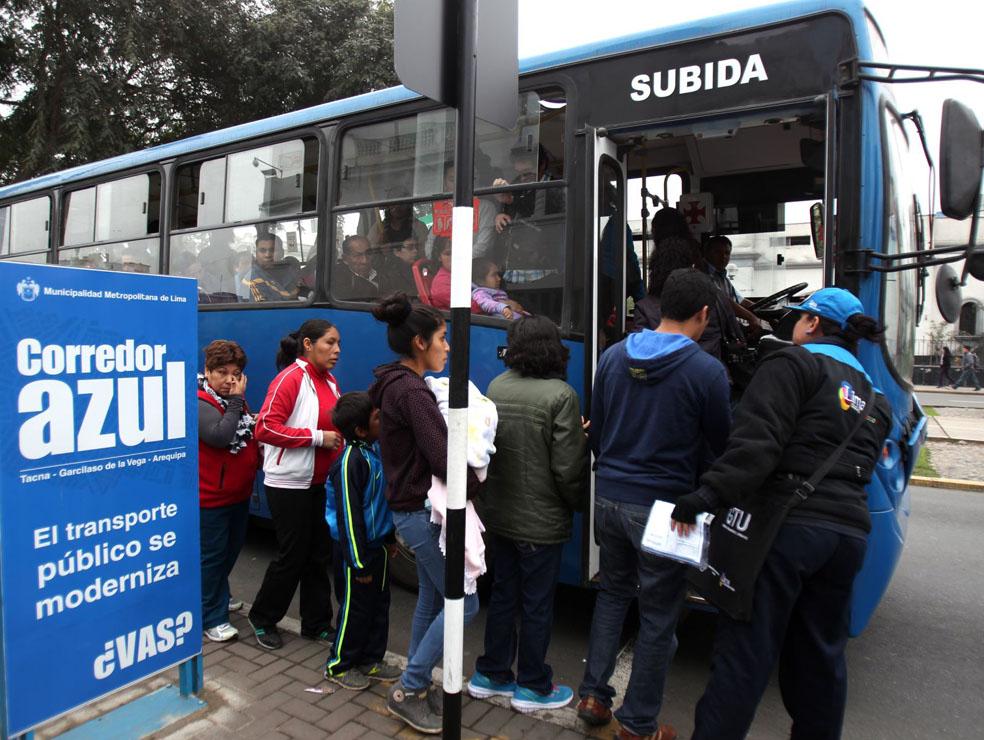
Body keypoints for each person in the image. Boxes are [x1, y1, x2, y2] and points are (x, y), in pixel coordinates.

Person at [670, 287, 892, 740]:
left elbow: (756, 447)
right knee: (820, 658)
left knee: (745, 655)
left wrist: (703, 497)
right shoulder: (875, 398)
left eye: (798, 318)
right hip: (847, 538)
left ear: (811, 324)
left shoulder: (792, 364)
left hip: (785, 533)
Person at [578, 269, 731, 740]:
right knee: (660, 614)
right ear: (703, 314)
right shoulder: (707, 371)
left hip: (609, 496)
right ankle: (639, 724)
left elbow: (597, 430)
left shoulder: (612, 356)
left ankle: (593, 696)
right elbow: (719, 447)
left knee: (612, 595)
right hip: (666, 510)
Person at [368, 293, 481, 735]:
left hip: (409, 509)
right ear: (419, 342)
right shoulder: (412, 391)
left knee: (434, 599)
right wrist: (477, 483)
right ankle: (408, 688)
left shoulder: (395, 382)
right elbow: (444, 457)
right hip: (419, 511)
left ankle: (415, 686)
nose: (448, 347)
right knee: (464, 603)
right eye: (442, 338)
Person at [467, 316, 588, 712]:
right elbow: (568, 470)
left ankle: (492, 673)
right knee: (536, 604)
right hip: (541, 522)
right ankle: (533, 685)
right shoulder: (561, 395)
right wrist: (579, 504)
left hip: (499, 514)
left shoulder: (497, 386)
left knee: (503, 595)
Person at [248, 319, 344, 651]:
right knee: (292, 554)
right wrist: (318, 438)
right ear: (307, 344)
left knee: (318, 554)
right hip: (287, 483)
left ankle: (316, 624)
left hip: (319, 481)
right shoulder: (290, 379)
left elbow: (336, 430)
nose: (336, 351)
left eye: (338, 344)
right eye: (329, 343)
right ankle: (262, 617)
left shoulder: (329, 381)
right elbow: (264, 428)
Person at [323, 392, 402, 690]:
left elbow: (380, 505)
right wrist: (357, 563)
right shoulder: (349, 463)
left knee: (379, 606)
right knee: (354, 610)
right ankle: (339, 665)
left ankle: (370, 660)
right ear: (359, 430)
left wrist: (390, 539)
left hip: (377, 546)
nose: (382, 420)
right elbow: (349, 518)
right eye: (376, 418)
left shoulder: (371, 451)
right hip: (355, 552)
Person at [197, 340, 260, 643]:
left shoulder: (234, 401)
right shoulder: (200, 401)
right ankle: (212, 617)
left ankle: (218, 594)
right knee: (213, 557)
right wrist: (237, 402)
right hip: (212, 499)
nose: (229, 380)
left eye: (235, 373)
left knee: (229, 553)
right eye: (221, 372)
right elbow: (219, 436)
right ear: (207, 371)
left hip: (238, 494)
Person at [702, 235, 765, 336]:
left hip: (725, 329)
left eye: (727, 253)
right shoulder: (702, 275)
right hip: (712, 334)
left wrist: (764, 310)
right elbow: (725, 302)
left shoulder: (722, 277)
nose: (723, 257)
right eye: (717, 252)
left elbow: (740, 300)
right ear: (707, 253)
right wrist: (752, 318)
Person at [241, 232, 299, 302]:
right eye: (262, 250)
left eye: (272, 250)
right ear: (256, 253)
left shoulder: (289, 271)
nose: (267, 255)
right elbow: (266, 309)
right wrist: (291, 296)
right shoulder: (251, 280)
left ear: (282, 253)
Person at [334, 234, 379, 300]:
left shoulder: (383, 272)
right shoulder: (338, 281)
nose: (365, 261)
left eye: (368, 254)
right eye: (357, 256)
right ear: (345, 259)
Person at [429, 236, 453, 310]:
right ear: (439, 257)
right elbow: (469, 307)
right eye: (448, 254)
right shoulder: (441, 283)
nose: (454, 257)